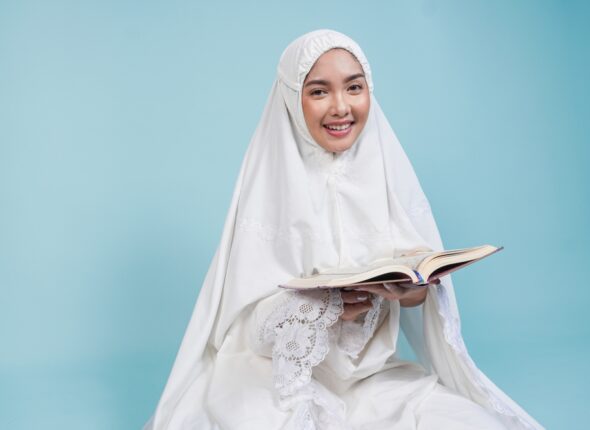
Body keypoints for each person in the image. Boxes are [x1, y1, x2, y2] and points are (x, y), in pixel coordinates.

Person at [144, 30, 543, 430]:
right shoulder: (269, 181)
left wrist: (412, 289)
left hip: (371, 378)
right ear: (291, 98)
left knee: (469, 422)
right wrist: (318, 309)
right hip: (269, 381)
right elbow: (240, 331)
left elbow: (415, 294)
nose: (341, 107)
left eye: (354, 87)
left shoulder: (386, 171)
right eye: (318, 92)